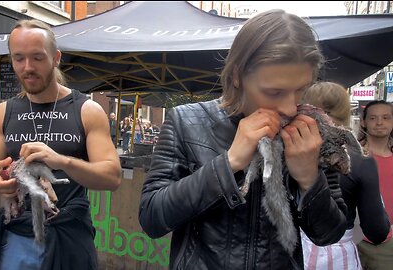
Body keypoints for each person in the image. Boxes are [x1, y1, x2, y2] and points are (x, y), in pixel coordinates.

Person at [139, 10, 347, 269]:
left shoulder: (310, 131)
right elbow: (152, 218)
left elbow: (330, 234)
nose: (290, 108)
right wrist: (229, 163)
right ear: (237, 75)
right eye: (274, 92)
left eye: (301, 90)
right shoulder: (186, 121)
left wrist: (309, 179)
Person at [0, 19, 121, 270]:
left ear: (56, 57)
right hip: (15, 240)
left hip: (68, 239)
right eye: (19, 58)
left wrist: (61, 160)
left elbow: (112, 177)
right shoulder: (3, 112)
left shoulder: (87, 110)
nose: (27, 67)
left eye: (38, 58)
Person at [300, 82, 391, 269]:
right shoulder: (361, 161)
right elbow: (376, 231)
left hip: (289, 253)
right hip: (338, 256)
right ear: (347, 113)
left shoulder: (284, 151)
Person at [356, 100, 393, 269]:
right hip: (353, 240)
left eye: (386, 117)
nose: (379, 123)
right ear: (363, 122)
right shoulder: (352, 157)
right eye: (373, 118)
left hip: (387, 243)